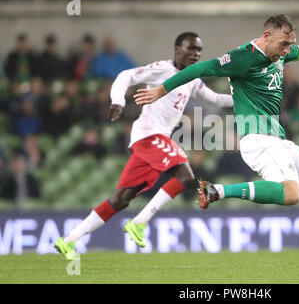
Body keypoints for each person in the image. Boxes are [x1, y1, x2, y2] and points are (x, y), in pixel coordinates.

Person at [134, 14, 299, 265]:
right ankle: (217, 191)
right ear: (267, 36)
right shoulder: (242, 58)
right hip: (256, 139)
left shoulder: (281, 51)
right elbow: (199, 69)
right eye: (283, 45)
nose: (287, 51)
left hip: (276, 139)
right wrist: (161, 89)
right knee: (292, 194)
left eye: (290, 45)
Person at [54, 32, 233, 260]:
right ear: (177, 49)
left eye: (199, 50)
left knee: (121, 199)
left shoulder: (193, 78)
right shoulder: (163, 69)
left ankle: (68, 240)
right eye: (191, 48)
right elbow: (125, 75)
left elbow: (214, 99)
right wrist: (118, 100)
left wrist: (246, 101)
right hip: (150, 135)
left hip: (153, 141)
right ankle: (139, 223)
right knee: (186, 176)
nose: (196, 54)